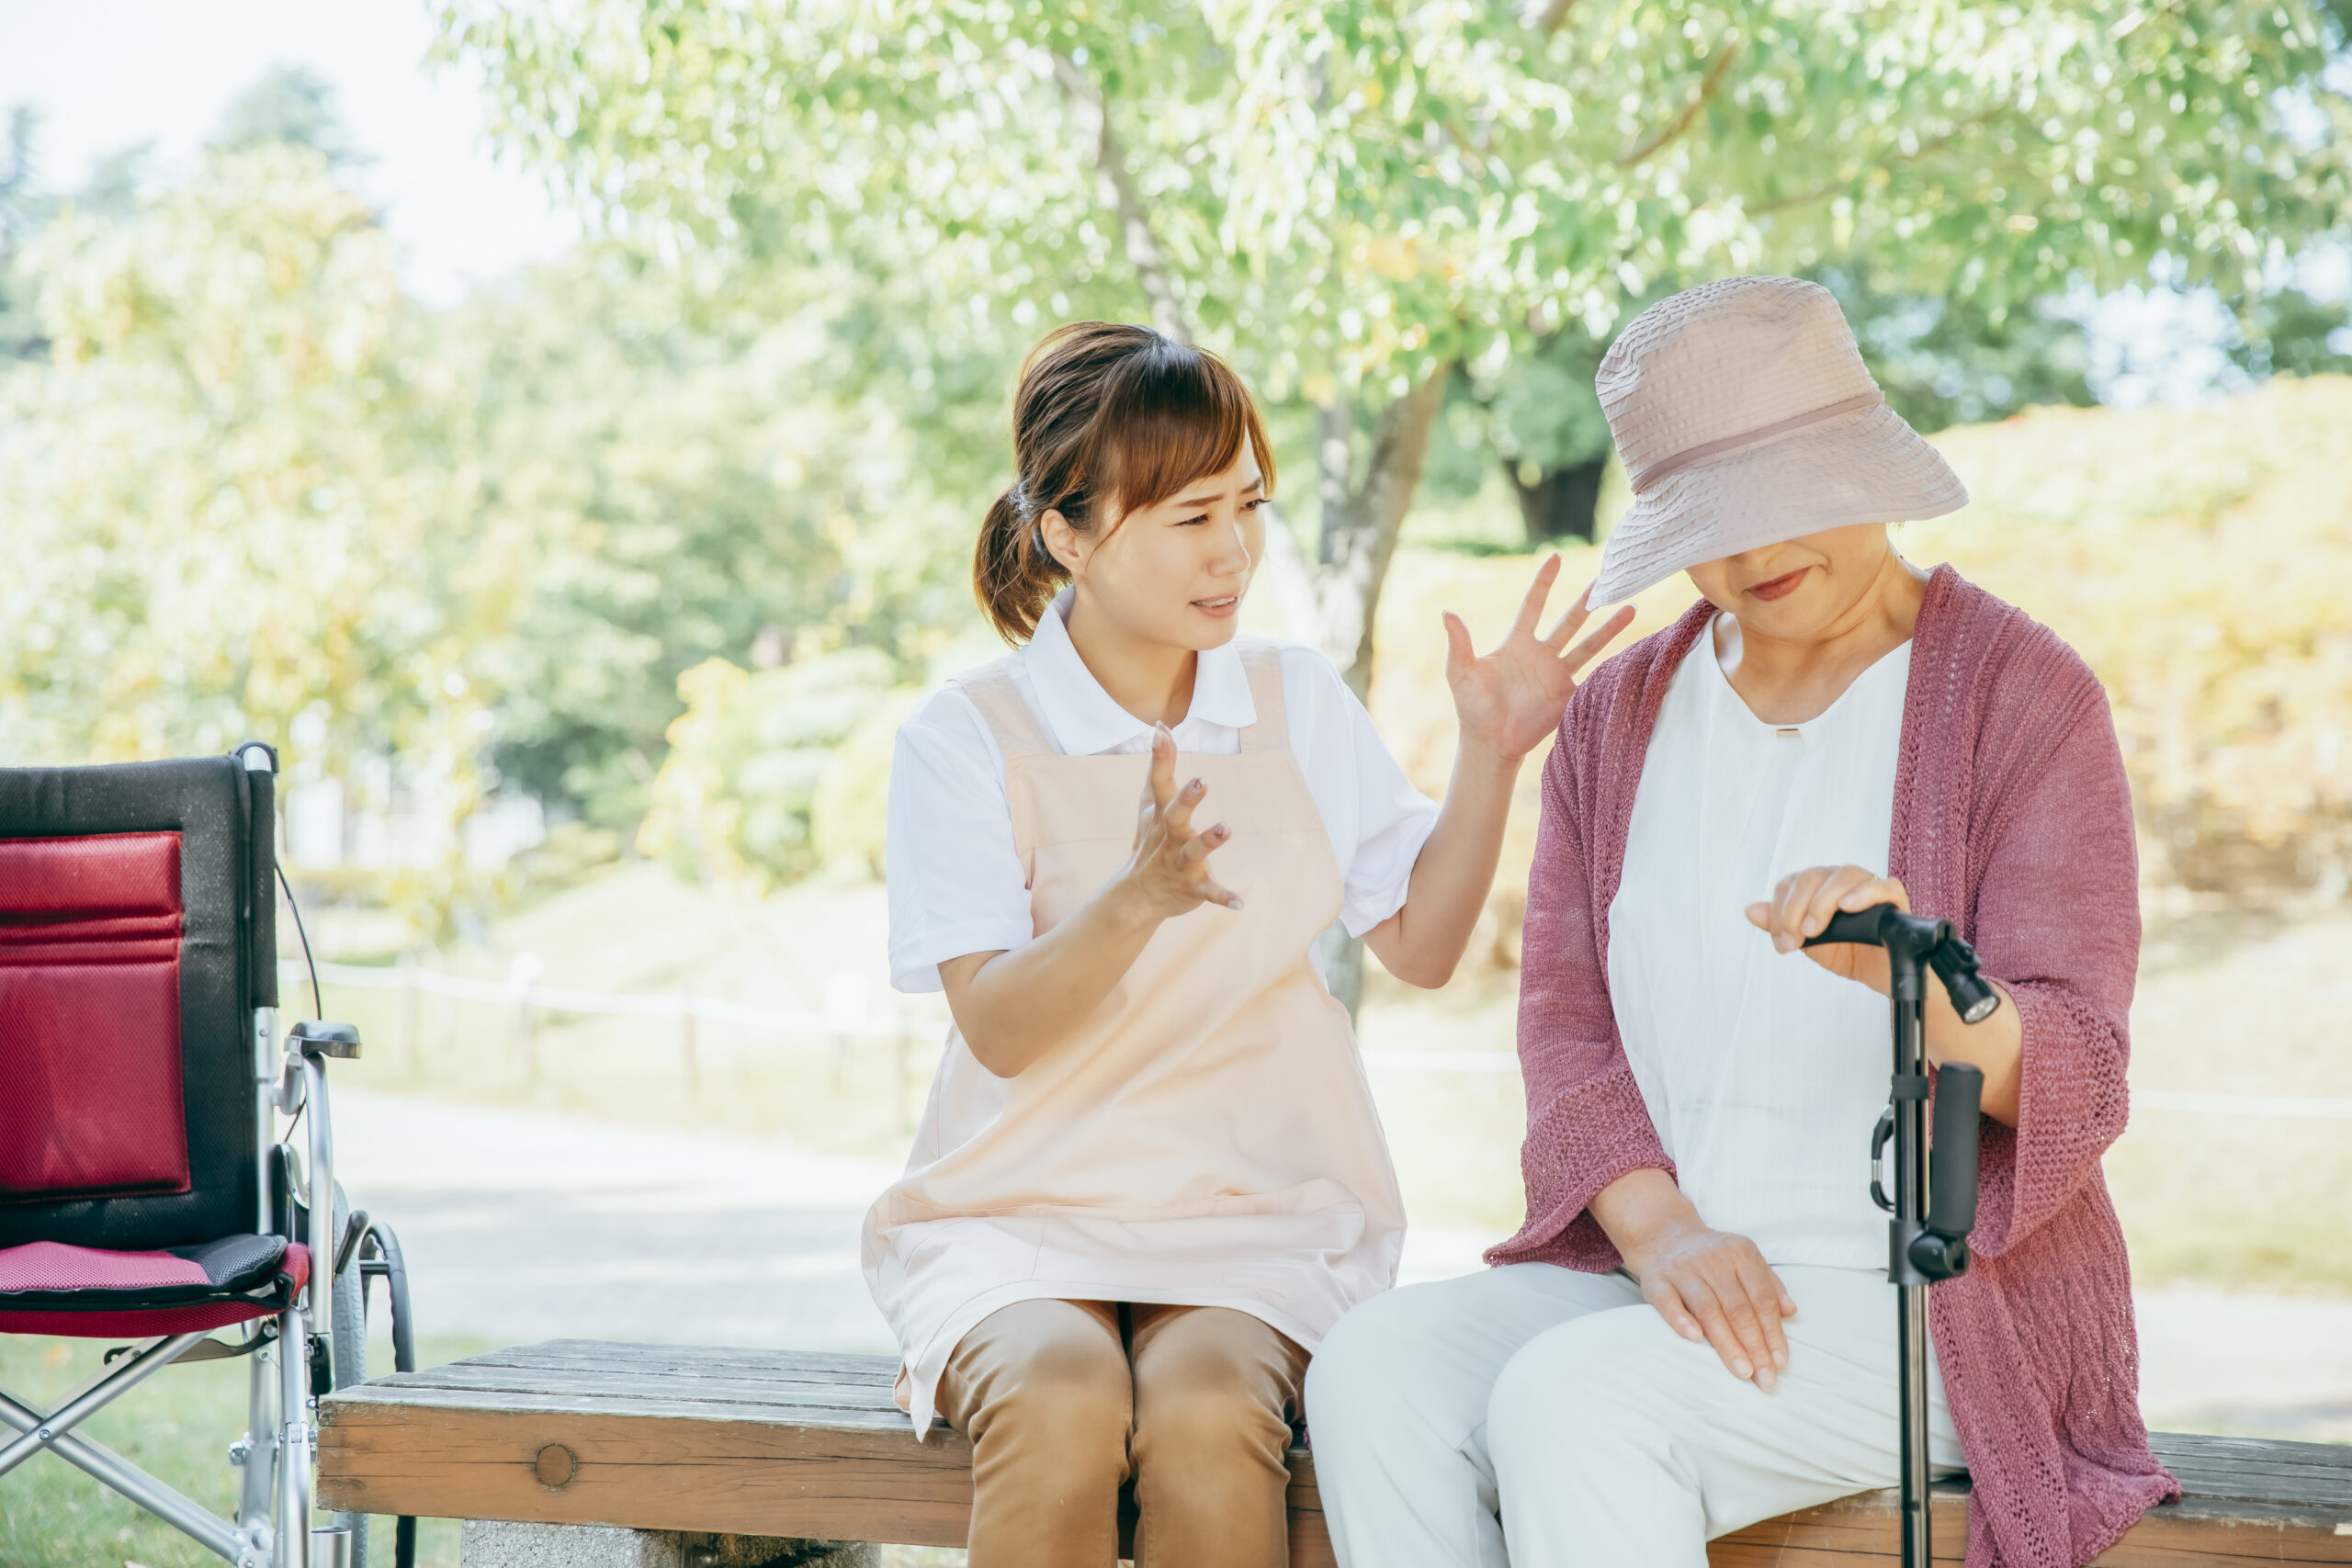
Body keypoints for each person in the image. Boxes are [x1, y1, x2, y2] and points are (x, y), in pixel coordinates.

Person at [1306, 276, 2178, 1568]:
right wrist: (1662, 1235)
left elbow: (2081, 1073)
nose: (1756, 553)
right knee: (1374, 1369)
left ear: (1867, 464)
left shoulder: (2021, 697)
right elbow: (1565, 1029)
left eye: (1796, 495)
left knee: (1577, 1404)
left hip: (1928, 1312)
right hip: (1654, 1275)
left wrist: (1911, 970)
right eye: (1715, 521)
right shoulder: (1615, 718)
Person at [862, 321, 1633, 1568]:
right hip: (1017, 1209)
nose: (1234, 553)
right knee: (1060, 1403)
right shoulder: (968, 737)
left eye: (1247, 505)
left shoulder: (1292, 700)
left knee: (1212, 1413)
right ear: (1066, 533)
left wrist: (1491, 755)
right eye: (1187, 518)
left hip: (1257, 1207)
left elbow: (1423, 947)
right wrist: (1136, 897)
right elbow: (996, 1028)